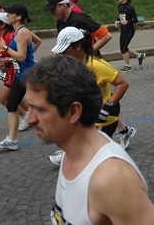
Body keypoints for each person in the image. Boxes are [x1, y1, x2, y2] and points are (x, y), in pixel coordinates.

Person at [23, 56, 154, 225]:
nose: (30, 119)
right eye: (29, 107)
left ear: (73, 112)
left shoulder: (111, 179)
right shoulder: (71, 152)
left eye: (39, 109)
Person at [48, 27, 134, 165]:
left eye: (64, 49)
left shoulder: (97, 66)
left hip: (102, 117)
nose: (61, 53)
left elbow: (122, 84)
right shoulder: (71, 63)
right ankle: (69, 153)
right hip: (84, 113)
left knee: (96, 156)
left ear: (78, 46)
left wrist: (108, 107)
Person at [0, 4, 42, 151]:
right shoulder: (20, 31)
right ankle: (12, 140)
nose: (7, 15)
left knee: (44, 107)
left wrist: (6, 49)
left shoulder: (21, 32)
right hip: (21, 74)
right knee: (11, 105)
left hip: (26, 75)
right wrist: (26, 56)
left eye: (10, 13)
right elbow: (38, 41)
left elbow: (21, 56)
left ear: (19, 17)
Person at [44, 0, 112, 54]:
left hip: (89, 63)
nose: (51, 12)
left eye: (53, 8)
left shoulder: (81, 19)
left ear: (64, 5)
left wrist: (88, 54)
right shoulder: (60, 22)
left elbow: (106, 36)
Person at [115, 0, 146, 72]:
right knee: (123, 46)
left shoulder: (130, 7)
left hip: (129, 30)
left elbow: (135, 20)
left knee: (123, 47)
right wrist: (117, 22)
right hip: (123, 29)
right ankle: (139, 55)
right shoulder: (120, 5)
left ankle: (127, 65)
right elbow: (120, 16)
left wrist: (127, 21)